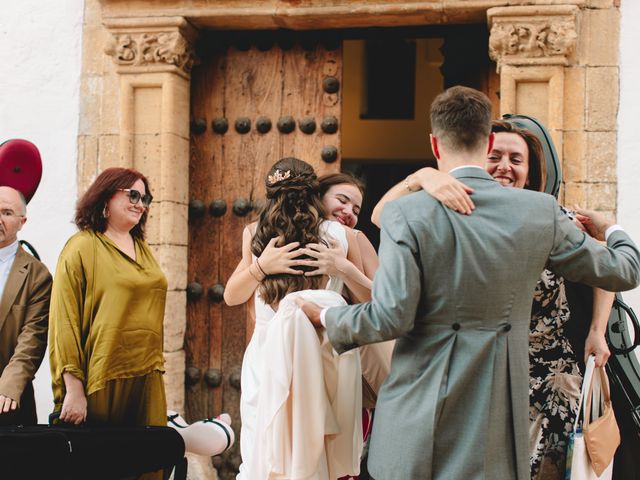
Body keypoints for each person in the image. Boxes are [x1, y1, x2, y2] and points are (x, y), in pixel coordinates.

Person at [298, 86, 640, 480]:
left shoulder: (405, 214)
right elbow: (624, 269)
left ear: (434, 143)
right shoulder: (542, 214)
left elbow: (390, 317)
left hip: (417, 415)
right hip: (496, 420)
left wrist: (327, 316)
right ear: (489, 140)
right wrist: (608, 226)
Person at [371, 118, 614, 480]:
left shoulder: (551, 218)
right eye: (494, 155)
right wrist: (422, 177)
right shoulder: (451, 211)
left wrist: (598, 330)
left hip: (551, 376)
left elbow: (605, 266)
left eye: (516, 159)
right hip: (482, 374)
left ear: (530, 172)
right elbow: (380, 216)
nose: (504, 166)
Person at [224, 157, 366, 479]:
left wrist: (341, 267)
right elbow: (233, 295)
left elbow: (232, 297)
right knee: (311, 450)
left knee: (265, 450)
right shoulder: (258, 235)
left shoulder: (337, 236)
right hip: (301, 356)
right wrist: (263, 265)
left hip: (287, 357)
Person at [49, 168, 167, 479]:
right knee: (100, 468)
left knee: (146, 464)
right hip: (101, 378)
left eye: (145, 198)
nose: (140, 204)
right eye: (132, 195)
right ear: (105, 197)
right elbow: (65, 321)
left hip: (145, 376)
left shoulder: (142, 249)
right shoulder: (82, 246)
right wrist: (73, 388)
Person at [0, 186, 52, 426]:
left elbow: (33, 338)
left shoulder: (37, 275)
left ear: (22, 221)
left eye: (7, 212)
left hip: (8, 401)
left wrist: (10, 385)